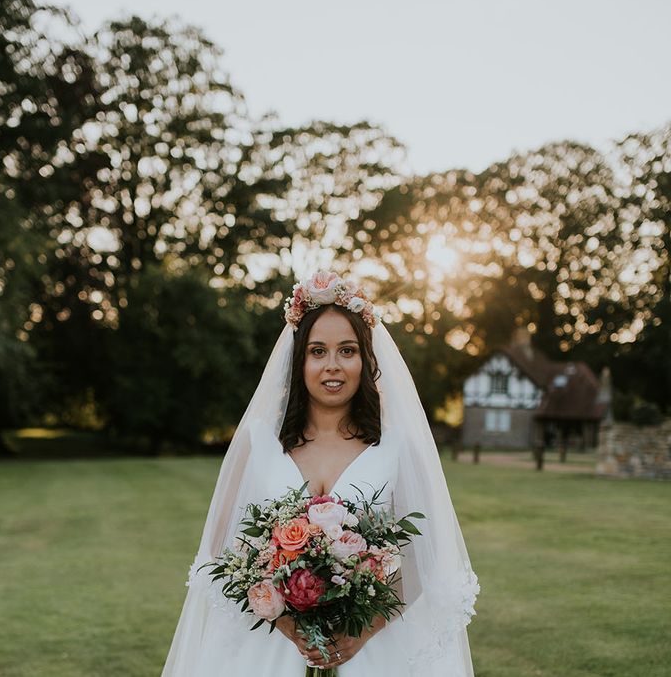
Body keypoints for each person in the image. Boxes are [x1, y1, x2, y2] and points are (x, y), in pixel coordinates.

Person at [161, 270, 480, 676]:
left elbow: (421, 559)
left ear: (366, 360)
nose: (333, 366)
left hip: (374, 650)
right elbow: (225, 550)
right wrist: (285, 621)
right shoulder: (258, 442)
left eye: (347, 351)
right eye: (318, 351)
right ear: (299, 359)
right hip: (269, 645)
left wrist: (362, 632)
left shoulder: (398, 447)